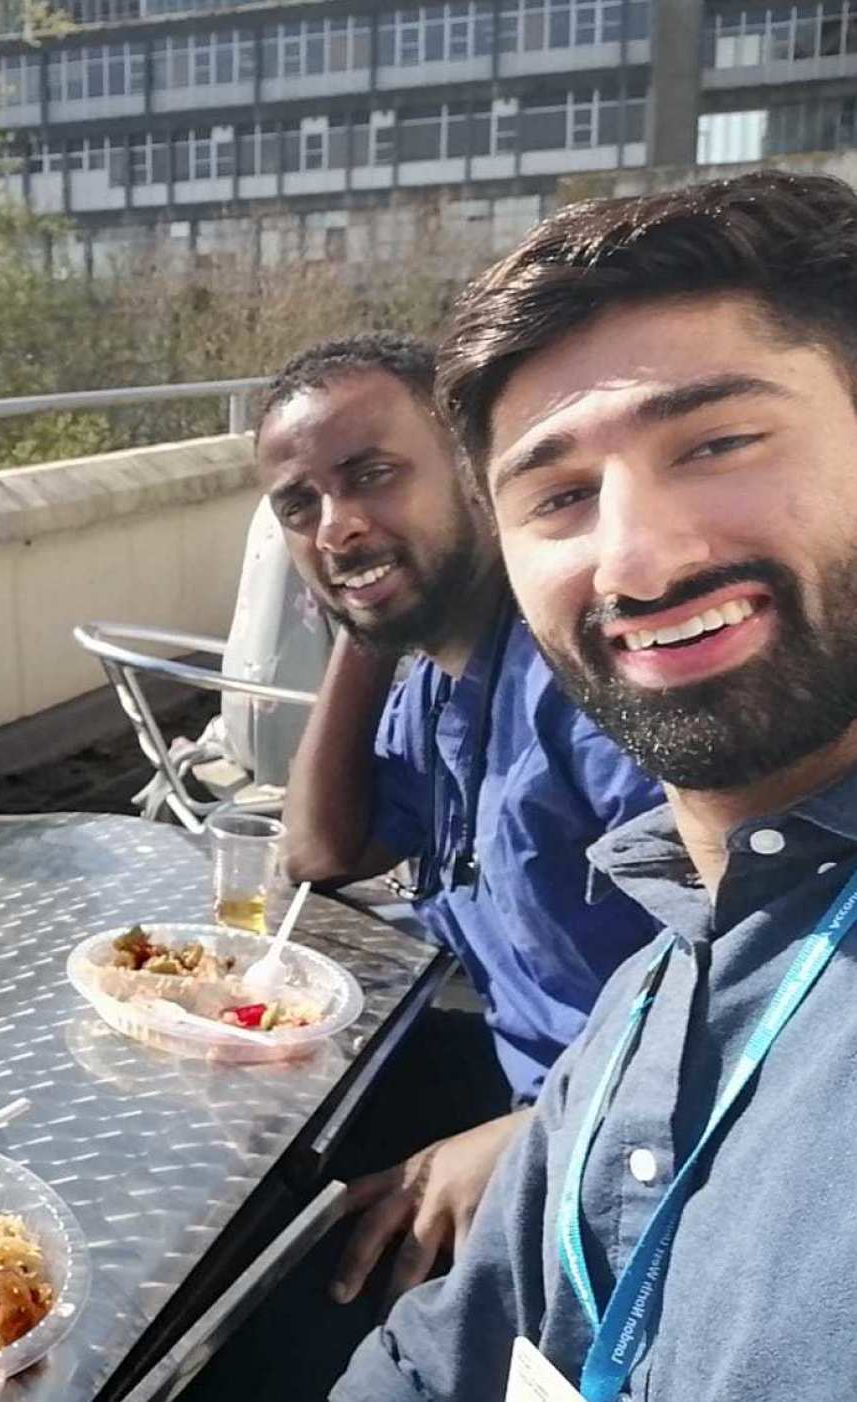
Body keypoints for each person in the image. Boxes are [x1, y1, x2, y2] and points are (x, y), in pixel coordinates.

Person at [335, 169, 857, 1400]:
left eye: (716, 442)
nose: (637, 558)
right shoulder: (661, 976)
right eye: (558, 495)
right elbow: (436, 1357)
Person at [260, 335, 663, 1307]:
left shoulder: (590, 684)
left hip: (626, 1157)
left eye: (372, 475)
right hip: (514, 1083)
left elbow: (759, 977)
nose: (336, 524)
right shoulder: (438, 683)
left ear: (476, 471)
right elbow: (323, 849)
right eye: (300, 506)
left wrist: (528, 1139)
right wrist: (362, 614)